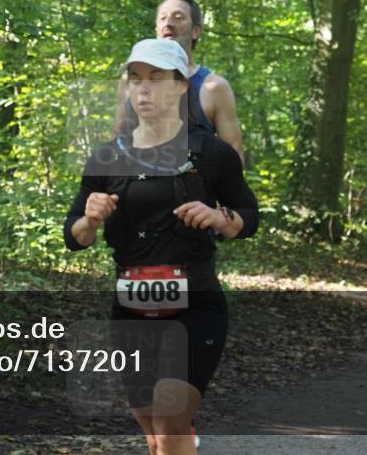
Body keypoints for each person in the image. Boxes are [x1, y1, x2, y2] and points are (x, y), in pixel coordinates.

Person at [66, 39, 258, 455]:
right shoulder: (106, 158)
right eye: (135, 79)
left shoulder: (211, 154)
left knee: (170, 423)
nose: (143, 89)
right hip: (130, 309)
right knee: (153, 430)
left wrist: (221, 217)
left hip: (196, 306)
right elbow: (74, 236)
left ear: (181, 86)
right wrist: (90, 219)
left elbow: (249, 215)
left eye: (155, 79)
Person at [114, 0, 244, 162]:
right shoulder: (129, 81)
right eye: (163, 18)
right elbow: (117, 136)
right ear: (156, 30)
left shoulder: (214, 87)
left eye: (178, 17)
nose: (168, 23)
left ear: (195, 31)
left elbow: (234, 152)